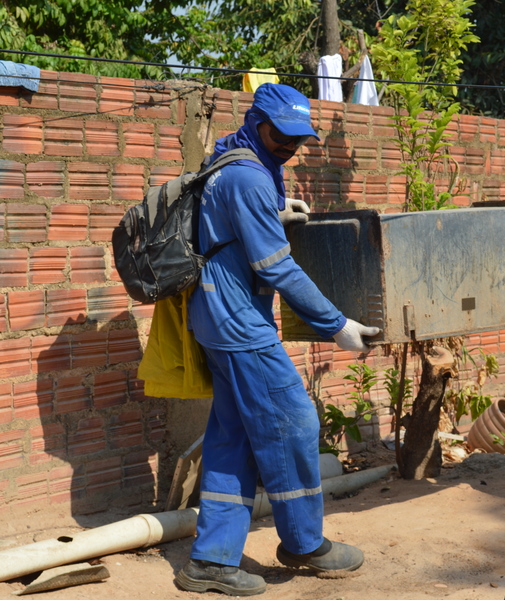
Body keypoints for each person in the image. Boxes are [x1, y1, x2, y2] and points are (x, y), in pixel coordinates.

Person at [176, 83, 381, 596]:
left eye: (297, 138)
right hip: (241, 326)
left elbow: (232, 221)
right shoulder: (247, 175)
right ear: (257, 121)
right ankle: (304, 542)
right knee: (294, 422)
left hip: (216, 319)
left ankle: (210, 560)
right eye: (281, 135)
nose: (289, 145)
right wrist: (337, 326)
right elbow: (278, 267)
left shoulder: (237, 155)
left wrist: (275, 210)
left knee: (233, 435)